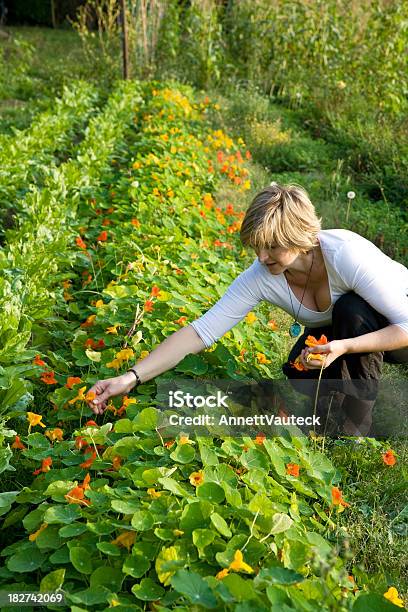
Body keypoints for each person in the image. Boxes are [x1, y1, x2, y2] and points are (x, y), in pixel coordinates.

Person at [88, 182, 408, 435]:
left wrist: (345, 347)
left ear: (299, 237)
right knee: (298, 377)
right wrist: (131, 378)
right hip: (342, 326)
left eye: (272, 246)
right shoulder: (261, 276)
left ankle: (354, 429)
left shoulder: (345, 255)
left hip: (397, 326)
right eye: (257, 246)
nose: (262, 257)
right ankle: (330, 410)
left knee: (351, 310)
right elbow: (200, 332)